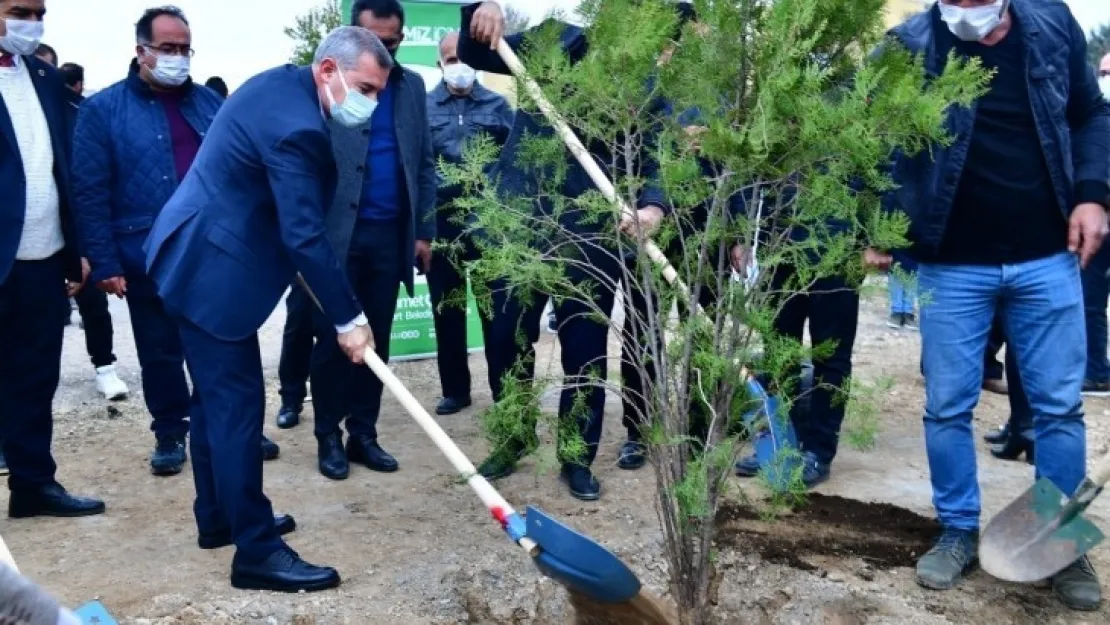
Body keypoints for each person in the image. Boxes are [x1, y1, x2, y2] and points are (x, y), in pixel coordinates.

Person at [866, 0, 1110, 610]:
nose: (968, 7)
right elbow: (868, 142)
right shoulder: (907, 48)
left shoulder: (1051, 22)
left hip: (1048, 258)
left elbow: (1091, 116)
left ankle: (1060, 540)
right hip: (951, 267)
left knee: (1058, 407)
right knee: (948, 406)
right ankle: (957, 530)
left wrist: (1092, 195)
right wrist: (878, 220)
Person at [144, 25, 392, 592]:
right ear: (328, 70)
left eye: (377, 92)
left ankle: (220, 519)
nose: (370, 104)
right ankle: (255, 550)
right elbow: (305, 235)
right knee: (236, 408)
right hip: (212, 270)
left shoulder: (285, 86)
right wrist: (350, 320)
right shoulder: (299, 127)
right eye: (365, 88)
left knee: (212, 404)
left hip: (193, 251)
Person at [460, 0, 671, 501]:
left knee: (585, 354)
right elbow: (477, 50)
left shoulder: (645, 85)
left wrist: (654, 208)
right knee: (506, 342)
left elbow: (656, 158)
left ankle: (577, 457)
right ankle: (513, 437)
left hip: (589, 238)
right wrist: (479, 9)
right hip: (520, 227)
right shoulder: (555, 40)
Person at [73, 6, 279, 476]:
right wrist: (105, 263)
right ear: (141, 51)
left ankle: (231, 427)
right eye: (168, 49)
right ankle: (170, 430)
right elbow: (89, 191)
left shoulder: (209, 103)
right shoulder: (101, 111)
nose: (178, 58)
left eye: (185, 49)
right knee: (160, 349)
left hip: (215, 254)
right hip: (146, 253)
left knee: (223, 345)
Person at [311, 0, 437, 481]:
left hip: (391, 236)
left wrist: (423, 229)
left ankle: (364, 432)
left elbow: (424, 161)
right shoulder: (327, 84)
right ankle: (328, 434)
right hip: (338, 236)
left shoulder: (411, 88)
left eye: (392, 42)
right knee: (333, 338)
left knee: (376, 340)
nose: (384, 51)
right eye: (373, 42)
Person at [0, 0, 105, 518]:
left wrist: (78, 246)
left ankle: (33, 484)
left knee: (36, 375)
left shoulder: (42, 75)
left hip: (43, 255)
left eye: (40, 12)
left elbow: (65, 163)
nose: (33, 22)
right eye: (21, 10)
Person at [33, 51, 132, 402]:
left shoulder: (79, 114)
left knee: (93, 305)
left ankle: (105, 368)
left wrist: (88, 246)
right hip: (28, 234)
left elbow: (89, 183)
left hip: (75, 229)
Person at [426, 31, 514, 416]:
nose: (457, 67)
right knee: (447, 308)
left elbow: (515, 162)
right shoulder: (423, 107)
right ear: (439, 64)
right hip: (442, 223)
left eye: (463, 59)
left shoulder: (498, 105)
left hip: (487, 222)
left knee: (493, 311)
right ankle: (455, 390)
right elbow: (416, 167)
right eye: (449, 60)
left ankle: (502, 390)